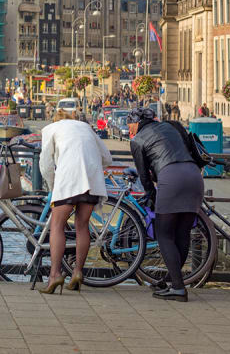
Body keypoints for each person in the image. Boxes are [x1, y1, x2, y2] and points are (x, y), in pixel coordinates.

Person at [129, 107, 203, 303]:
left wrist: (151, 195)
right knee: (182, 233)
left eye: (130, 124)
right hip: (194, 175)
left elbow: (144, 175)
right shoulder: (170, 127)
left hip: (171, 178)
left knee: (164, 234)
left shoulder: (137, 140)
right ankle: (173, 282)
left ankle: (178, 288)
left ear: (137, 123)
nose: (129, 128)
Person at [38, 109, 112, 294]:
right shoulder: (86, 127)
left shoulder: (51, 129)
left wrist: (53, 185)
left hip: (69, 178)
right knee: (82, 226)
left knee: (57, 226)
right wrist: (89, 165)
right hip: (91, 179)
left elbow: (45, 164)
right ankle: (78, 272)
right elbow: (107, 158)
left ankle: (54, 275)